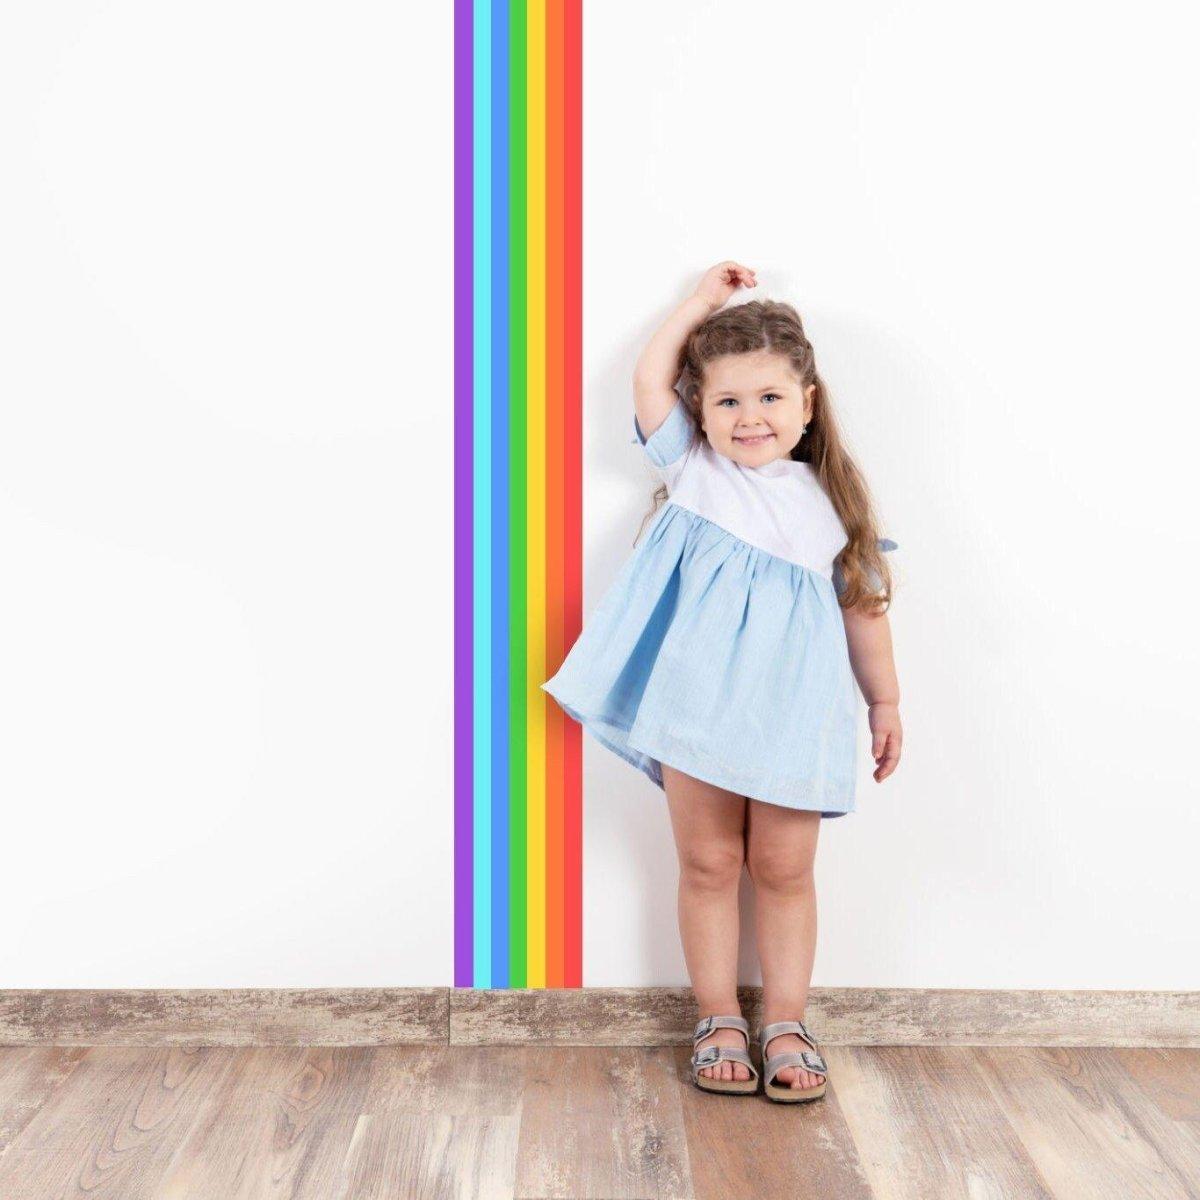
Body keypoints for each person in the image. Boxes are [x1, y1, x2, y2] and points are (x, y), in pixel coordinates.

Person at [540, 260, 903, 1103]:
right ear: (701, 411)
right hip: (696, 708)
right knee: (707, 863)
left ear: (808, 404)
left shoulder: (833, 508)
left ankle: (784, 1020)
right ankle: (716, 1017)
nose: (749, 418)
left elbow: (865, 614)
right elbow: (646, 376)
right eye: (728, 401)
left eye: (770, 398)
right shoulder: (697, 473)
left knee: (782, 868)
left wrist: (885, 701)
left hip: (793, 718)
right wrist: (700, 303)